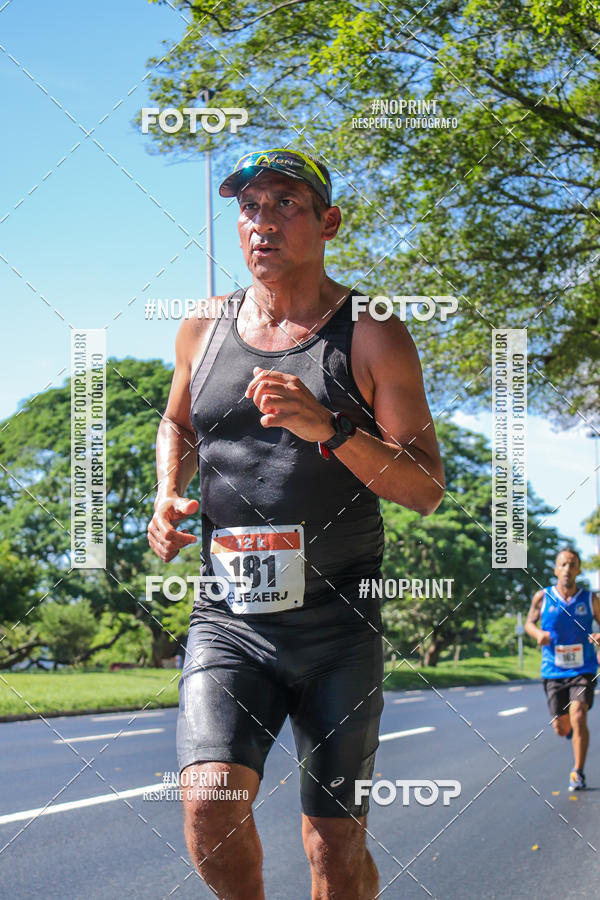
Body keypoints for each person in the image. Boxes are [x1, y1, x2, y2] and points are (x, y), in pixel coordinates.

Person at [147, 148, 445, 899]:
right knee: (208, 807)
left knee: (333, 846)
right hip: (229, 617)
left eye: (285, 204)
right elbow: (177, 424)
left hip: (336, 622)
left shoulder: (371, 333)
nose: (262, 222)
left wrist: (332, 431)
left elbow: (426, 489)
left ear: (329, 222)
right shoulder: (203, 328)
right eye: (250, 206)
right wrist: (166, 494)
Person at [525, 547, 600, 791]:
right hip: (553, 670)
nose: (567, 569)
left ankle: (578, 772)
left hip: (584, 668)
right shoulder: (543, 597)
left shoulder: (590, 599)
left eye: (572, 564)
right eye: (563, 564)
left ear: (578, 569)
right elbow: (529, 623)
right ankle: (569, 731)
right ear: (556, 569)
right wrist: (538, 634)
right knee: (561, 727)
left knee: (579, 713)